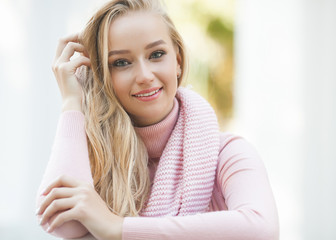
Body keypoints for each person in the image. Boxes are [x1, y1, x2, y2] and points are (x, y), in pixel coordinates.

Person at [35, 0, 279, 239]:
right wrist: (71, 102)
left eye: (156, 54)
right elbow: (62, 223)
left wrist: (118, 229)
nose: (144, 75)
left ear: (178, 62)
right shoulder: (92, 158)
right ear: (102, 75)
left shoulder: (228, 153)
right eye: (121, 62)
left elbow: (261, 230)